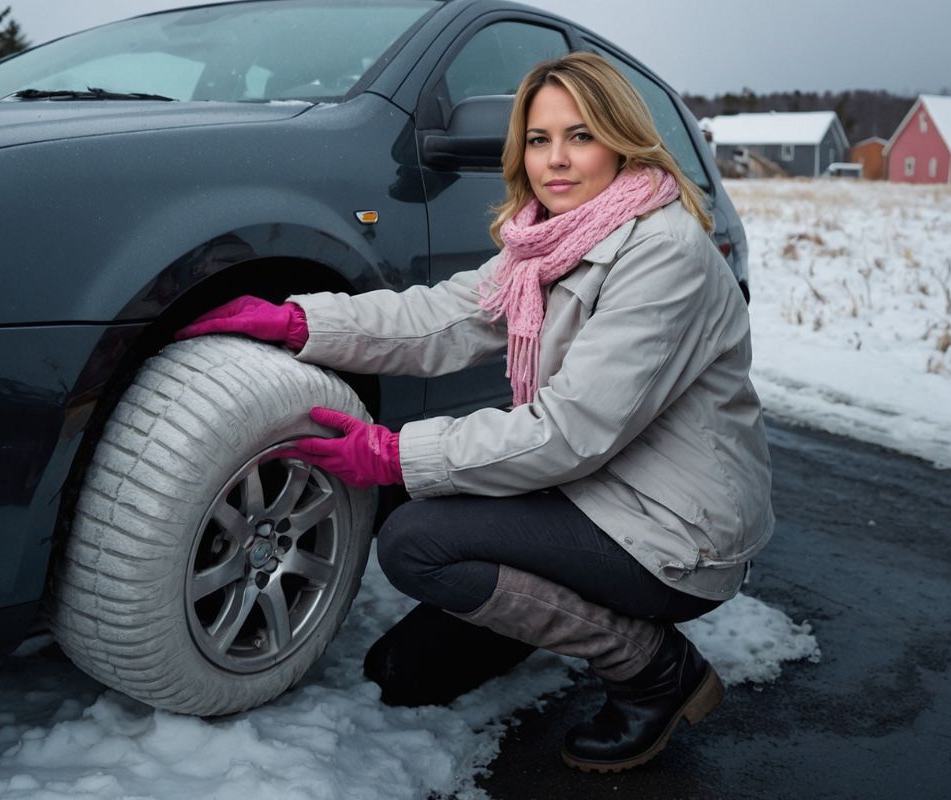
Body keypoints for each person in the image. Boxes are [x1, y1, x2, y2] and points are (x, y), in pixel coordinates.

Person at [175, 52, 774, 773]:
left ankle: (652, 666)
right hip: (593, 491)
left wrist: (390, 454)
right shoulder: (549, 241)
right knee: (405, 675)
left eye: (580, 136)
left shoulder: (662, 255)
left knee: (417, 539)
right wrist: (304, 323)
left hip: (673, 532)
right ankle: (542, 602)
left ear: (622, 139)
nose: (556, 160)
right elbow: (445, 317)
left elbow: (567, 432)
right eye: (538, 138)